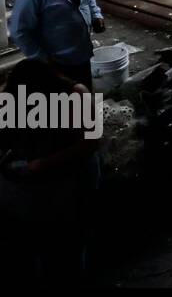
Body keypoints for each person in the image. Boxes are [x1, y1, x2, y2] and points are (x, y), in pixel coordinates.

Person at [0, 58, 101, 282]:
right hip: (39, 182)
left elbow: (91, 142)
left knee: (73, 235)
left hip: (75, 168)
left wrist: (43, 163)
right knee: (41, 241)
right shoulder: (12, 98)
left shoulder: (76, 94)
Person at [7, 0, 103, 89]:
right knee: (67, 105)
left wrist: (96, 15)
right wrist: (42, 60)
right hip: (58, 64)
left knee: (84, 97)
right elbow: (19, 31)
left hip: (82, 53)